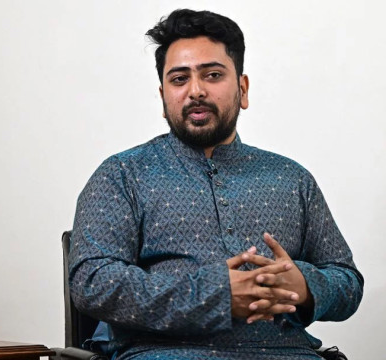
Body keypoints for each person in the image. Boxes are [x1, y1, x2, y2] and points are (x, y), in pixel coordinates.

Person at [68, 9, 363, 360]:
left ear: (242, 88)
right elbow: (92, 282)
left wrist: (305, 285)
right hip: (164, 353)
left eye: (212, 75)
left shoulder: (292, 178)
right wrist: (214, 294)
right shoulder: (122, 175)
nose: (196, 91)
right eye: (179, 80)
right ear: (164, 97)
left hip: (289, 352)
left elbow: (347, 281)